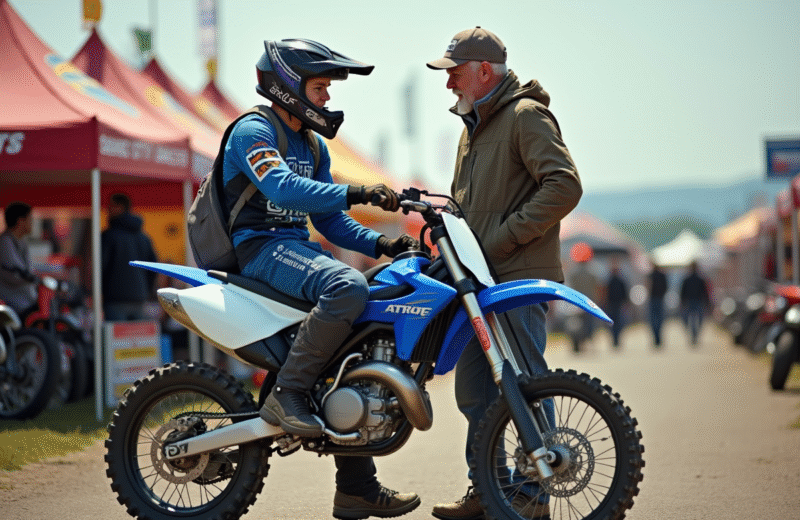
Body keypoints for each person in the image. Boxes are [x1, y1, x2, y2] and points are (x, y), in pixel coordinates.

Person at [227, 38, 419, 519]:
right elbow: (280, 186)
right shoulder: (254, 130)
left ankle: (356, 487)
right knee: (346, 287)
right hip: (259, 246)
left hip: (294, 247)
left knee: (371, 310)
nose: (328, 99)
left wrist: (384, 246)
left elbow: (330, 219)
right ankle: (286, 394)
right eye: (320, 88)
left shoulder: (310, 144)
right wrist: (355, 191)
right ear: (289, 88)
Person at [426, 27, 582, 520]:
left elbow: (564, 186)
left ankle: (534, 493)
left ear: (484, 72)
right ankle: (489, 489)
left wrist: (504, 237)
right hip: (479, 282)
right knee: (475, 391)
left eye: (454, 73)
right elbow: (467, 204)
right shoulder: (474, 124)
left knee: (527, 387)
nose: (449, 83)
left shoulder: (524, 116)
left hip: (515, 277)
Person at [101, 193, 158, 321]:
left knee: (115, 339)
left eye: (111, 206)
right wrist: (146, 290)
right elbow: (154, 267)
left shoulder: (109, 236)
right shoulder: (144, 238)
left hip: (115, 299)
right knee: (137, 339)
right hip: (139, 297)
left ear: (120, 207)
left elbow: (101, 266)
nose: (107, 209)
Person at [0, 202, 38, 318]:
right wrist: (33, 278)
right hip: (14, 302)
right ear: (20, 221)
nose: (32, 223)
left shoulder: (21, 242)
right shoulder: (5, 242)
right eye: (30, 219)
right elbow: (16, 271)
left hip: (25, 299)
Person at [567, 243, 599, 352]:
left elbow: (570, 288)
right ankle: (588, 340)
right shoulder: (593, 272)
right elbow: (596, 288)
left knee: (575, 322)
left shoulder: (572, 272)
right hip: (589, 301)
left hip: (576, 301)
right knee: (589, 323)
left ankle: (577, 343)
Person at [680, 261, 710, 345]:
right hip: (696, 301)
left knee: (692, 320)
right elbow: (705, 292)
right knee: (697, 320)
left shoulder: (690, 279)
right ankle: (694, 334)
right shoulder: (699, 279)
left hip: (693, 301)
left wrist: (682, 302)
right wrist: (707, 302)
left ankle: (694, 334)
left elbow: (682, 291)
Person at [605, 262, 629, 347]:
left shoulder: (614, 280)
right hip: (612, 304)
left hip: (616, 304)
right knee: (616, 322)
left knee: (616, 322)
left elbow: (624, 292)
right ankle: (615, 339)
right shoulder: (610, 280)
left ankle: (616, 339)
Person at [648, 261, 668, 347]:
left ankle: (656, 338)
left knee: (654, 320)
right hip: (659, 299)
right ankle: (658, 338)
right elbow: (666, 287)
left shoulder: (651, 276)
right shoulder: (661, 275)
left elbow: (647, 286)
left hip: (654, 299)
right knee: (659, 320)